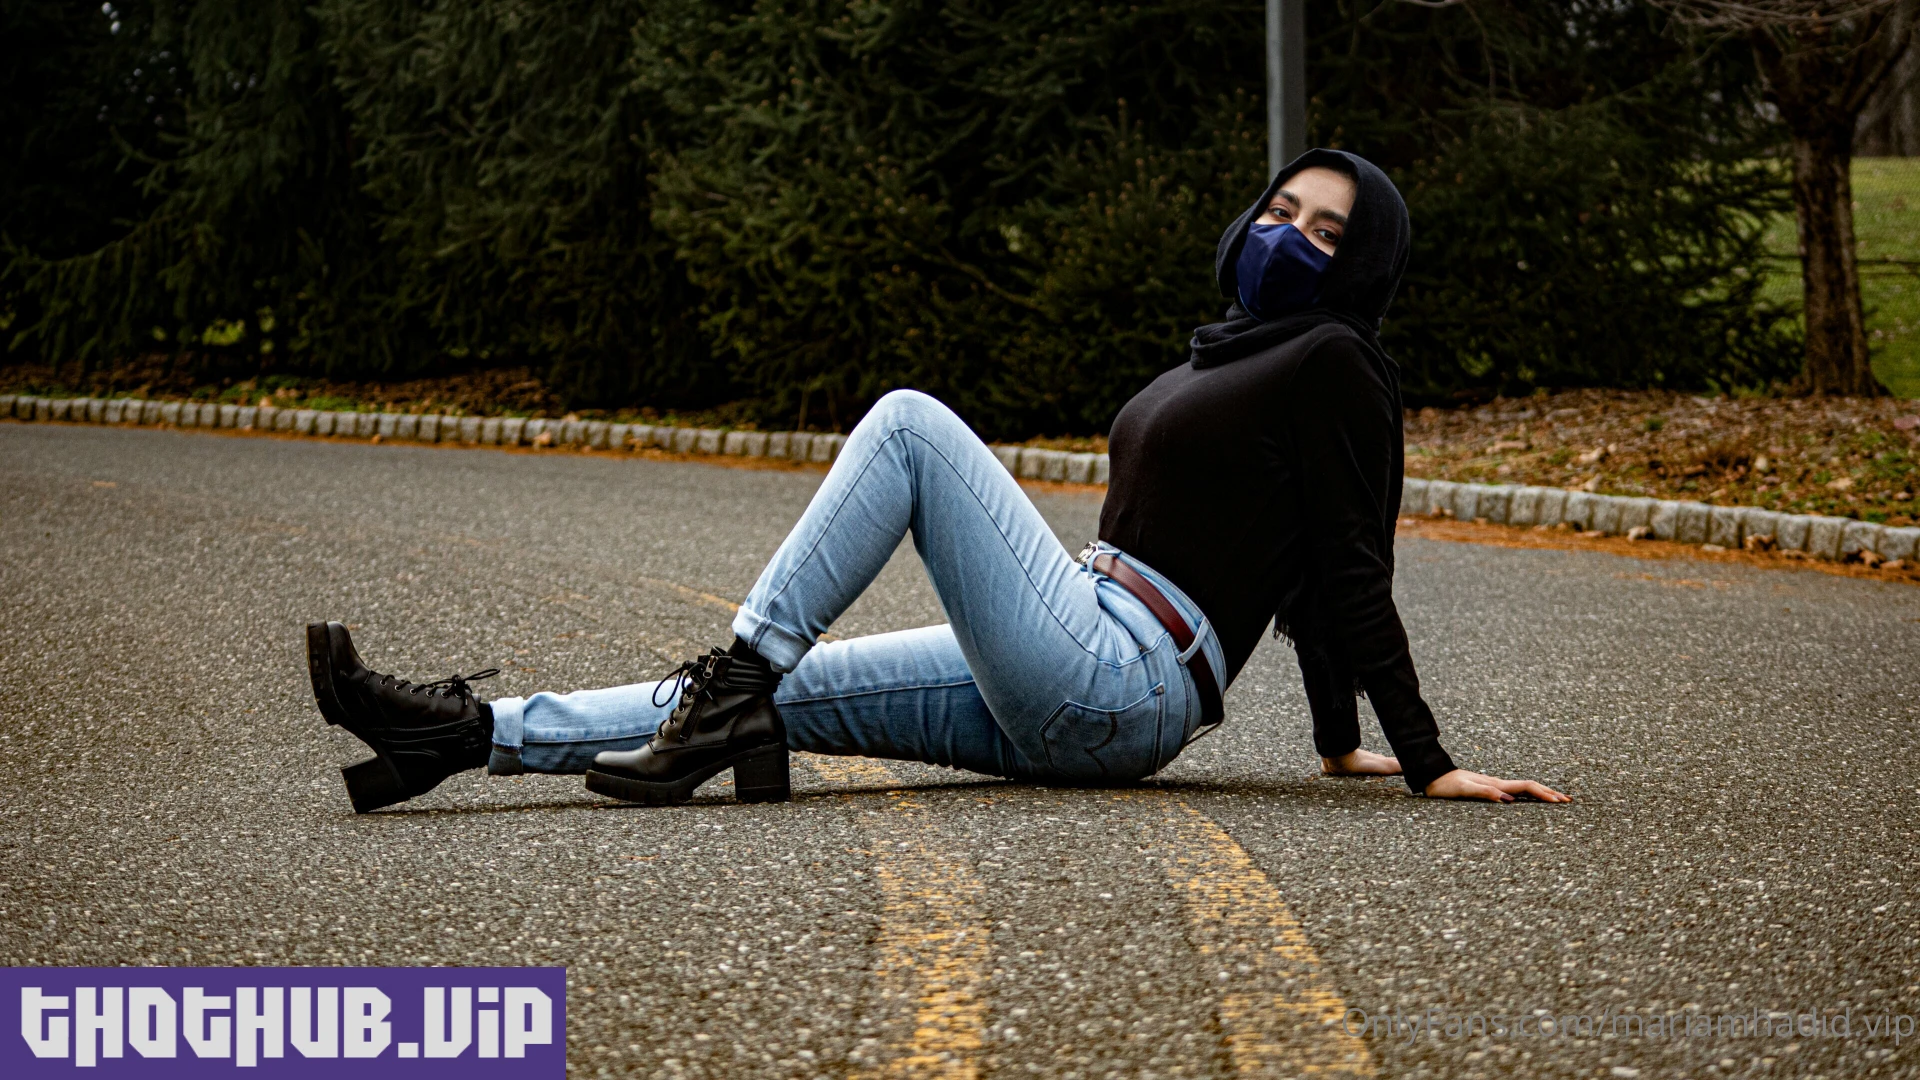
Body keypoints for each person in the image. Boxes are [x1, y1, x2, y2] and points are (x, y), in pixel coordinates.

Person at [305, 148, 1569, 813]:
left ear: (1363, 268)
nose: (1290, 237)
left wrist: (1421, 759)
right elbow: (1293, 559)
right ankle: (462, 738)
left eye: (1328, 232)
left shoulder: (1338, 360)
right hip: (1078, 654)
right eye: (1282, 211)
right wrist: (1336, 745)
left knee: (909, 427)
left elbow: (1348, 560)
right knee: (782, 699)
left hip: (1123, 674)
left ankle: (735, 682)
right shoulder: (1235, 353)